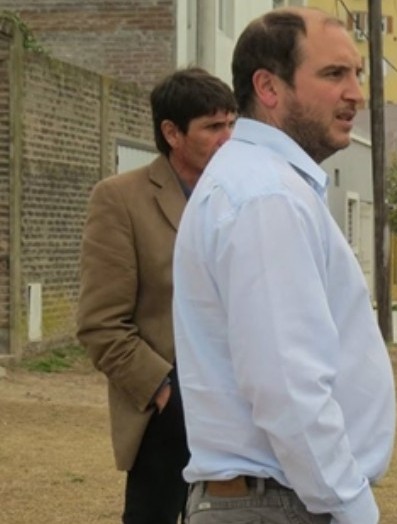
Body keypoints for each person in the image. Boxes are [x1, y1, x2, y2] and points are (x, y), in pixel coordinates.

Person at [172, 7, 396, 524]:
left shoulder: (263, 184)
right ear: (268, 88)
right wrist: (354, 507)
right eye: (334, 74)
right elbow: (286, 386)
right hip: (275, 503)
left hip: (275, 499)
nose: (356, 94)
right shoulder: (265, 197)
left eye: (357, 74)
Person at [76, 67, 236, 524]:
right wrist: (166, 392)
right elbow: (100, 323)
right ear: (172, 133)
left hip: (238, 412)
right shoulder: (120, 200)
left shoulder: (237, 196)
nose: (227, 137)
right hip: (166, 415)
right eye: (212, 126)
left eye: (231, 124)